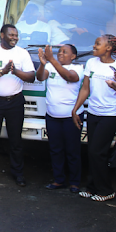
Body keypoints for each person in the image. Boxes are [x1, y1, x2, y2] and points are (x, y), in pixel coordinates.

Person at [72, 35, 116, 202]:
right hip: (93, 113)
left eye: (97, 44)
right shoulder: (91, 63)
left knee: (98, 152)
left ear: (108, 48)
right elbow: (85, 89)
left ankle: (106, 190)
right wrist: (75, 109)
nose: (93, 46)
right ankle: (92, 187)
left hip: (110, 115)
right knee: (92, 151)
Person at [0, 24, 36, 186]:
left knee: (16, 140)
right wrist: (2, 72)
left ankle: (18, 174)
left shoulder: (22, 53)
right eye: (11, 35)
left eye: (16, 35)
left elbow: (31, 77)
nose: (14, 38)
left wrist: (15, 71)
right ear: (2, 35)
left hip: (15, 102)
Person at [36, 44, 84, 193]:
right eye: (59, 52)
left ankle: (75, 182)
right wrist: (43, 65)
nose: (60, 54)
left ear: (73, 56)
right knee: (56, 149)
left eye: (65, 52)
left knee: (72, 150)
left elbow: (69, 77)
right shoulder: (51, 66)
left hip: (71, 117)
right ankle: (59, 180)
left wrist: (51, 60)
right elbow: (39, 77)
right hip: (52, 116)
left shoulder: (78, 68)